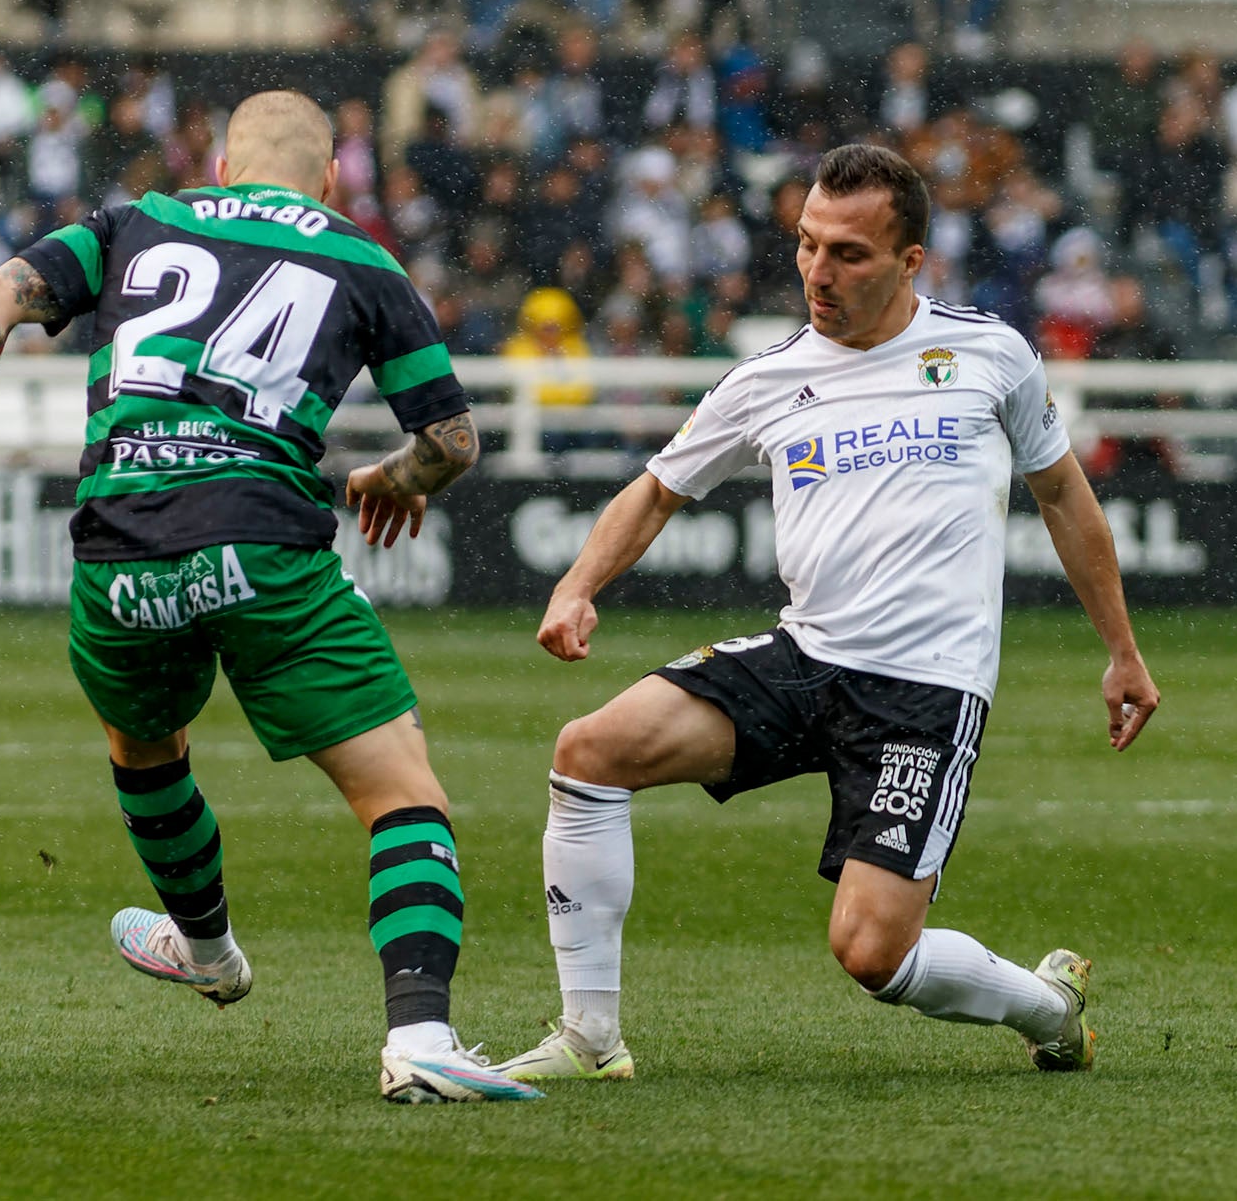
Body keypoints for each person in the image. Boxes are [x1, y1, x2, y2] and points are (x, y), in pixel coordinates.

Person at [0, 89, 542, 1106]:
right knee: (401, 794)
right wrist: (399, 481)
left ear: (221, 167)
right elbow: (451, 439)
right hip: (261, 543)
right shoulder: (362, 257)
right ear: (331, 177)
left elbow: (0, 290)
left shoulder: (138, 221)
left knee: (145, 747)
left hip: (117, 547)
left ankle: (207, 951)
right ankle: (421, 1036)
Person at [491, 144, 1160, 1083]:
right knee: (589, 750)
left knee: (871, 953)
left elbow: (1063, 498)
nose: (817, 271)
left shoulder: (990, 355)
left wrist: (1122, 652)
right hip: (807, 656)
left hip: (925, 693)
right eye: (807, 245)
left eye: (848, 253)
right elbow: (656, 490)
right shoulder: (767, 376)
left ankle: (1048, 1006)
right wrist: (576, 586)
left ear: (911, 261)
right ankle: (591, 1040)